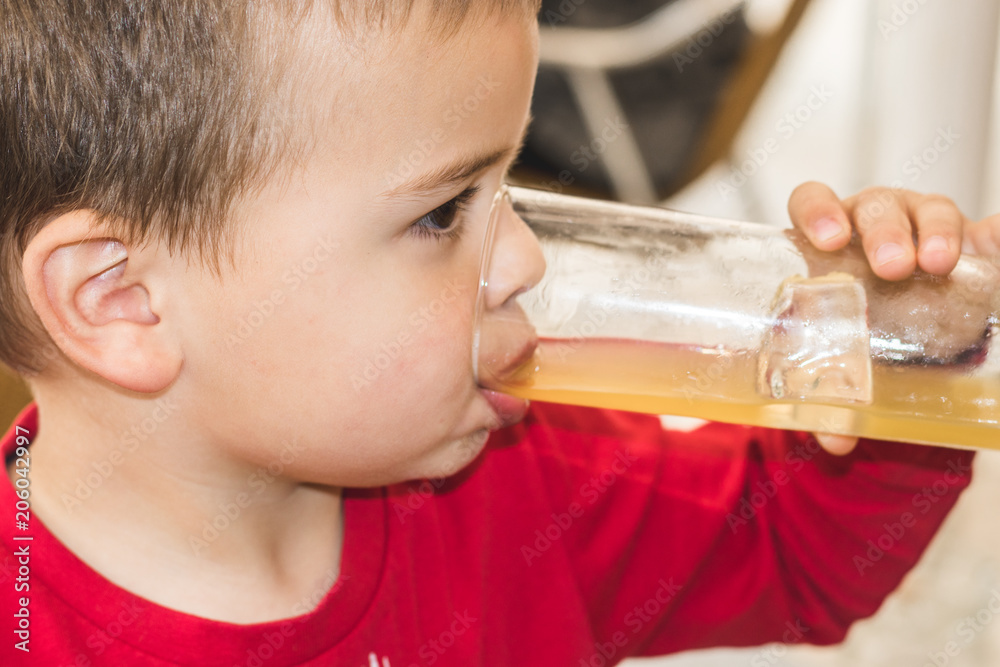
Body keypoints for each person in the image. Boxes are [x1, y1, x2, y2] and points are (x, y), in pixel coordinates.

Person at [1, 2, 997, 665]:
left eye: (506, 186)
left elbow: (789, 553)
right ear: (120, 298)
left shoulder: (518, 475)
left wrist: (910, 356)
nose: (524, 259)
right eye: (442, 212)